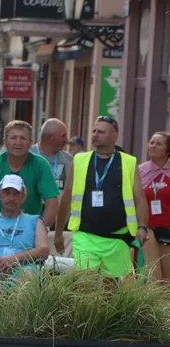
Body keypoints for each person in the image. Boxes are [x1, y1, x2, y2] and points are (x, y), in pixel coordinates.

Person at [55, 116, 147, 278]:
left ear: (114, 136)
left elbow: (139, 198)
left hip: (118, 237)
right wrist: (58, 232)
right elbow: (66, 198)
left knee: (111, 288)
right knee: (85, 283)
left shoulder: (129, 162)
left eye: (101, 132)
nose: (95, 135)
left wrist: (142, 226)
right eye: (94, 131)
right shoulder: (80, 160)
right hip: (85, 235)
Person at [0, 175, 50, 308]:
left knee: (29, 274)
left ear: (23, 197)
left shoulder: (35, 221)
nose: (11, 197)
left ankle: (19, 326)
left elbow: (44, 250)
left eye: (16, 193)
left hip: (23, 267)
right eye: (6, 193)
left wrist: (14, 259)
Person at [0, 121, 59, 228]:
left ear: (31, 142)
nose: (18, 142)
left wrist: (41, 231)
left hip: (28, 231)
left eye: (23, 138)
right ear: (5, 142)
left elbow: (52, 203)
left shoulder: (40, 165)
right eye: (13, 138)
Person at [139, 132, 170, 283]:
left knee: (167, 279)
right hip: (148, 227)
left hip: (168, 229)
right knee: (153, 275)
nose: (153, 146)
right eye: (151, 142)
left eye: (158, 143)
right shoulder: (141, 171)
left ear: (167, 150)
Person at [30, 119, 72, 193]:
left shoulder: (68, 158)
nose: (66, 140)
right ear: (50, 138)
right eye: (63, 136)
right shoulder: (28, 155)